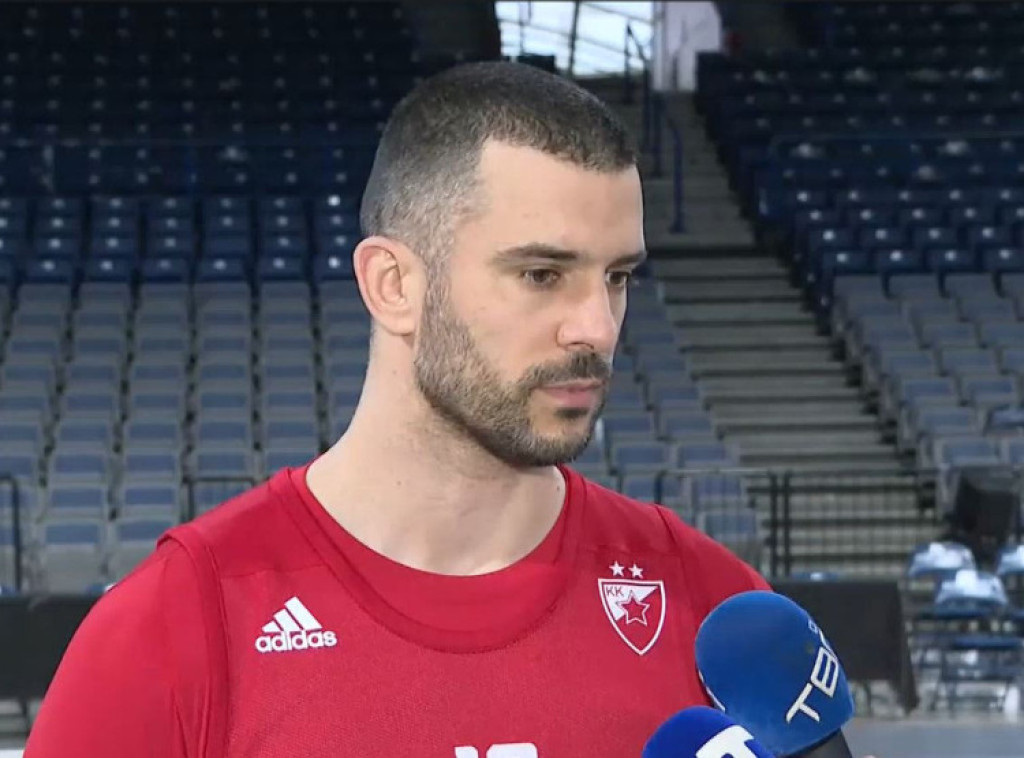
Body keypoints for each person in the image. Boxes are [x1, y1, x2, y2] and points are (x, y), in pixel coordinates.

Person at [25, 61, 770, 757]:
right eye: (542, 274)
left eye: (617, 277)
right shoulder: (176, 630)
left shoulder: (716, 611)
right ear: (393, 285)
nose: (597, 328)